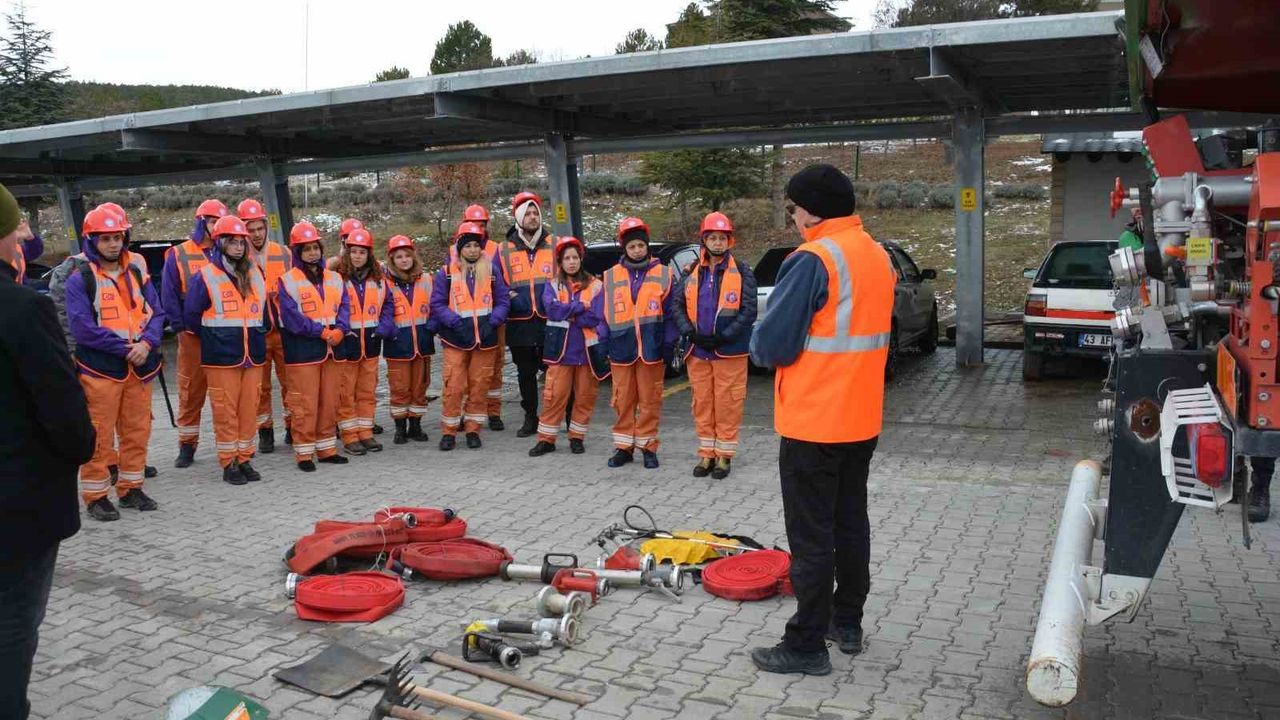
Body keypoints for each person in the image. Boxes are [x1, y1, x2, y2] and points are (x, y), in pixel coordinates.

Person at [748, 164, 896, 675]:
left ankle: (806, 644)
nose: (792, 217)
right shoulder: (876, 255)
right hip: (861, 419)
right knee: (850, 524)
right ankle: (846, 622)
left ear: (810, 211)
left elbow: (773, 346)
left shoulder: (813, 259)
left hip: (814, 423)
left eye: (792, 208)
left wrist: (755, 340)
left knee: (811, 537)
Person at [0, 182, 95, 720]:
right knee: (12, 629)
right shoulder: (22, 309)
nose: (24, 239)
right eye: (17, 229)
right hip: (17, 512)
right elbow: (69, 422)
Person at [66, 207, 165, 520]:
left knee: (137, 430)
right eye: (105, 239)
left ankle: (131, 488)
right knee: (98, 434)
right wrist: (126, 349)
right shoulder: (80, 278)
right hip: (100, 370)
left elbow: (157, 313)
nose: (113, 244)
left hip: (139, 368)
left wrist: (147, 343)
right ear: (92, 241)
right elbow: (82, 328)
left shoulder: (136, 272)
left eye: (117, 237)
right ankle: (96, 496)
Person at [182, 216, 271, 485]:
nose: (238, 247)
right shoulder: (205, 276)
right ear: (220, 243)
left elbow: (263, 314)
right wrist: (216, 338)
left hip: (252, 354)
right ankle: (228, 462)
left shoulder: (256, 273)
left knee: (249, 409)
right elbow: (192, 317)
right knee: (225, 412)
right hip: (221, 357)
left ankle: (244, 458)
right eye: (232, 242)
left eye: (241, 242)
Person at [672, 212, 758, 479]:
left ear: (729, 241)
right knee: (702, 403)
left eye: (722, 238)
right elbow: (677, 306)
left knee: (727, 403)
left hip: (729, 351)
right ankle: (706, 454)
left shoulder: (742, 271)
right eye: (713, 238)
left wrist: (724, 336)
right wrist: (690, 333)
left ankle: (724, 456)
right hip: (698, 351)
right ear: (704, 240)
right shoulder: (691, 272)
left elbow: (748, 310)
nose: (718, 243)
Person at [602, 217, 677, 469]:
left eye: (641, 246)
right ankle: (623, 448)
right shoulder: (610, 276)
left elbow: (672, 314)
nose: (637, 250)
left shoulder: (664, 274)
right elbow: (603, 315)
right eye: (632, 246)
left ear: (647, 246)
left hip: (651, 349)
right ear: (624, 248)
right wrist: (603, 343)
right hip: (620, 349)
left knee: (649, 401)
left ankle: (648, 447)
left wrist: (668, 343)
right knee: (622, 400)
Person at [277, 221, 350, 472]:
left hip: (332, 349)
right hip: (303, 351)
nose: (312, 253)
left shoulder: (335, 278)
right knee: (305, 404)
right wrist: (322, 332)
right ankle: (304, 453)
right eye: (306, 249)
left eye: (315, 248)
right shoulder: (287, 280)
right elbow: (291, 318)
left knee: (330, 402)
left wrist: (340, 330)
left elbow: (345, 307)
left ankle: (327, 449)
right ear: (298, 252)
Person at [431, 221, 510, 450]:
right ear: (460, 248)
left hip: (485, 339)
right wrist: (454, 322)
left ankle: (473, 430)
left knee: (479, 386)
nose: (473, 250)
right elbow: (437, 303)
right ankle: (449, 432)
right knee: (454, 387)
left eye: (476, 245)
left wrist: (493, 322)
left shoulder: (492, 271)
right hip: (455, 339)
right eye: (467, 246)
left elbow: (503, 301)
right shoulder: (446, 273)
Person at [162, 198, 229, 467]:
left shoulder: (231, 251)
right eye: (212, 222)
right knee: (191, 392)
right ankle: (187, 446)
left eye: (219, 222)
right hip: (192, 335)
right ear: (202, 223)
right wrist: (180, 327)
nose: (216, 227)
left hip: (223, 335)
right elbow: (168, 294)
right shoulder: (179, 254)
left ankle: (230, 446)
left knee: (225, 393)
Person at [528, 236, 609, 457]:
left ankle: (577, 438)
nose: (571, 262)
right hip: (560, 352)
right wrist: (580, 306)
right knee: (554, 397)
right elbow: (552, 311)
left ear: (581, 259)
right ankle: (546, 440)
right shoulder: (552, 284)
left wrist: (569, 311)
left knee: (584, 397)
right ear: (560, 262)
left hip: (586, 352)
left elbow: (595, 317)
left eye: (575, 258)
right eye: (567, 258)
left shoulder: (596, 285)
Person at [498, 192, 555, 437]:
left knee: (555, 372)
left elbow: (568, 276)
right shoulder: (503, 250)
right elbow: (495, 281)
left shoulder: (555, 244)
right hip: (519, 323)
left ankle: (557, 415)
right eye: (528, 213)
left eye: (536, 213)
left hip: (550, 320)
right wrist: (511, 296)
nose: (533, 217)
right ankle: (531, 416)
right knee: (525, 374)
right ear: (519, 217)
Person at [238, 198, 293, 453]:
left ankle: (293, 426)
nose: (256, 234)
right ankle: (265, 431)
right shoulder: (238, 258)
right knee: (260, 388)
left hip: (283, 330)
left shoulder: (284, 253)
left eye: (260, 228)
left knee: (290, 383)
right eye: (250, 229)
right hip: (257, 332)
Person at [334, 228, 394, 455]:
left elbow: (388, 306)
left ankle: (366, 433)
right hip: (347, 345)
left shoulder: (379, 280)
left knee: (367, 392)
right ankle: (350, 436)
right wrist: (343, 330)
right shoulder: (337, 278)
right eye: (354, 251)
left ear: (369, 254)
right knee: (346, 394)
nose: (357, 256)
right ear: (347, 253)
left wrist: (383, 328)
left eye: (362, 252)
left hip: (371, 344)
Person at [383, 234, 436, 444]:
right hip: (397, 345)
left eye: (407, 255)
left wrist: (432, 326)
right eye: (399, 257)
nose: (404, 260)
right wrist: (390, 331)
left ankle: (415, 426)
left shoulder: (426, 279)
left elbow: (436, 305)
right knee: (399, 388)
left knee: (420, 387)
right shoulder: (384, 283)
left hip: (422, 344)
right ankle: (400, 428)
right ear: (392, 260)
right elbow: (381, 312)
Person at [458, 203, 506, 429]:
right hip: (466, 322)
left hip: (492, 318)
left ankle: (493, 412)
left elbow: (503, 284)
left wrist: (496, 316)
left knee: (494, 368)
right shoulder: (455, 250)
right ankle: (465, 412)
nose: (478, 228)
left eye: (482, 224)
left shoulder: (497, 249)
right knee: (465, 370)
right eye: (474, 224)